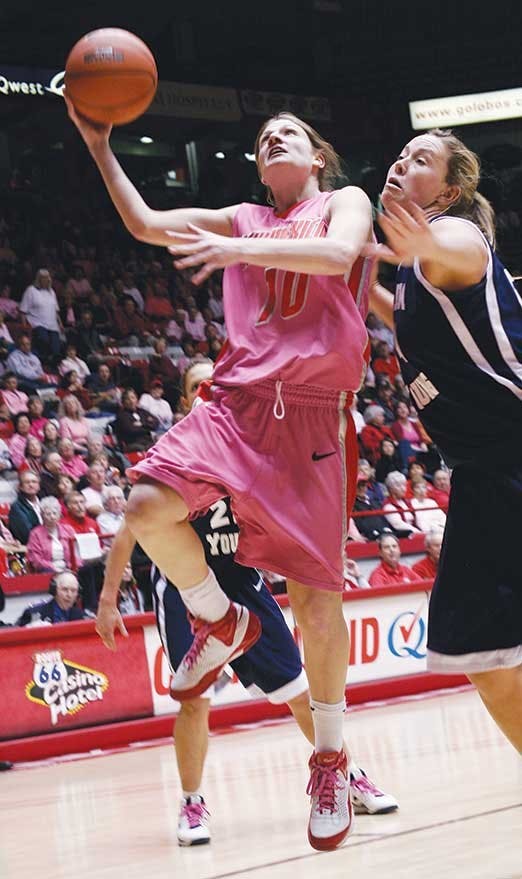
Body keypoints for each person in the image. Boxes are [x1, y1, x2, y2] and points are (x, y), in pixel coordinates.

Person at [66, 102, 375, 849]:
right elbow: (144, 222)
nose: (273, 139)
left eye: (289, 133)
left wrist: (243, 255)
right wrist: (100, 146)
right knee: (144, 505)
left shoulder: (344, 202)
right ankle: (220, 614)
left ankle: (330, 757)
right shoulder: (241, 215)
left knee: (315, 601)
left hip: (311, 412)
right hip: (238, 400)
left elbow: (337, 258)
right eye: (264, 136)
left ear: (315, 156)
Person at [369, 128, 522, 753]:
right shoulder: (412, 272)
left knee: (486, 659)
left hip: (509, 456)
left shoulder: (457, 239)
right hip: (486, 473)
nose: (402, 160)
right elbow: (403, 304)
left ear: (450, 190)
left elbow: (442, 247)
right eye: (400, 152)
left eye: (421, 160)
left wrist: (413, 237)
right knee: (485, 659)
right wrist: (355, 287)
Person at [19, 268, 62, 361]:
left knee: (56, 349)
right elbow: (23, 310)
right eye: (44, 278)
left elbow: (56, 310)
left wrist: (60, 323)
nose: (47, 280)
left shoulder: (52, 292)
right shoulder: (31, 290)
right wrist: (24, 326)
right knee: (44, 340)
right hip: (37, 324)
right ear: (39, 279)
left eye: (48, 278)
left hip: (53, 325)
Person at [16, 570, 85, 626]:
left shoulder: (80, 615)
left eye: (73, 591)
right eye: (64, 589)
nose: (69, 595)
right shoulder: (34, 613)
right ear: (54, 590)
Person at [26, 495, 76, 573]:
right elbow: (36, 560)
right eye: (48, 514)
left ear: (59, 514)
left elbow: (77, 553)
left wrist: (73, 567)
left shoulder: (68, 530)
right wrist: (54, 568)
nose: (52, 517)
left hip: (69, 567)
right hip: (48, 569)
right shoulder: (35, 534)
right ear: (42, 516)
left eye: (54, 513)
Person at [8, 470, 42, 543]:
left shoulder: (45, 502)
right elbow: (27, 535)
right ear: (20, 487)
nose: (31, 485)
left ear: (39, 486)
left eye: (34, 482)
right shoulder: (17, 507)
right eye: (27, 482)